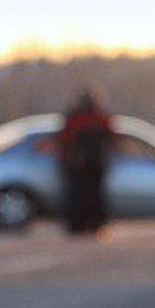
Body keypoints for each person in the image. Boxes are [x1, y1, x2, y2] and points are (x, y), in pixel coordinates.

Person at [53, 87, 115, 235]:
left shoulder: (73, 119)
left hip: (76, 166)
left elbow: (63, 141)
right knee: (94, 195)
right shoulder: (102, 119)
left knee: (76, 195)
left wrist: (64, 160)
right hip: (96, 165)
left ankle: (77, 224)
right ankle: (95, 223)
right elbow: (113, 139)